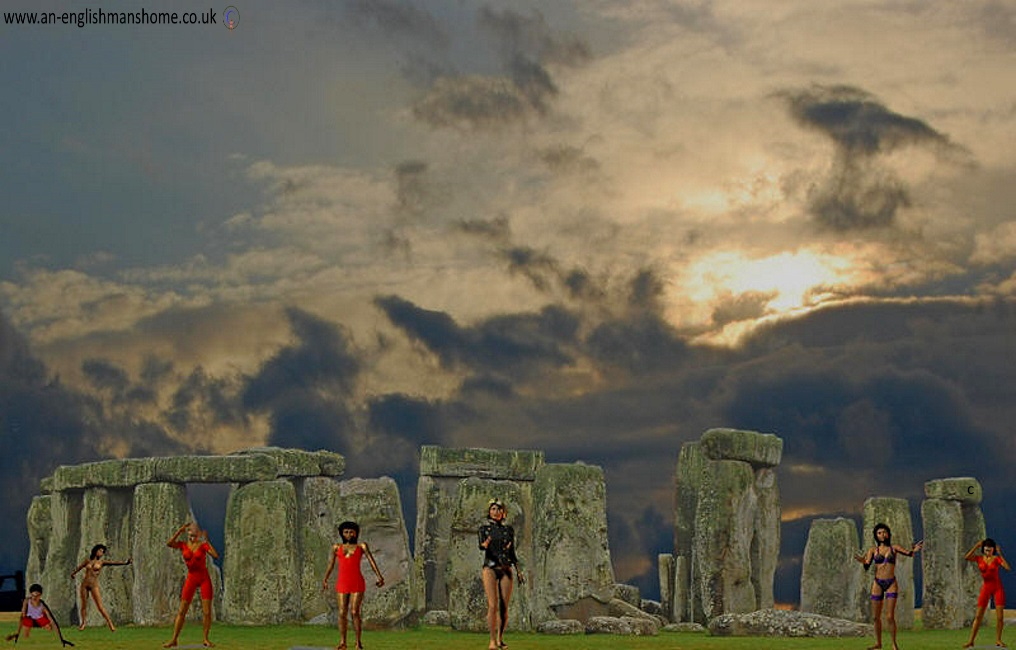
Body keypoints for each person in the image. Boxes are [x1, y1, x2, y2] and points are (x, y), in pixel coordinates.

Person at [854, 523, 922, 650]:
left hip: (891, 582)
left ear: (888, 534)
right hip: (878, 583)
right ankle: (878, 644)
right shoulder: (873, 550)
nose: (882, 535)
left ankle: (894, 644)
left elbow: (909, 553)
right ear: (876, 535)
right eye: (879, 533)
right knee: (875, 617)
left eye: (884, 532)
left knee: (890, 616)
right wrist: (862, 560)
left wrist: (915, 550)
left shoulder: (894, 548)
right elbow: (867, 566)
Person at [322, 521, 384, 650]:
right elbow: (330, 564)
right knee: (341, 612)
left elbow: (372, 561)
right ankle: (343, 642)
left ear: (356, 533)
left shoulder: (361, 546)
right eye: (346, 532)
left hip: (357, 582)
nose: (348, 534)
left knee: (355, 611)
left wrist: (379, 576)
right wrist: (325, 579)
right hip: (342, 582)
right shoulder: (336, 548)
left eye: (351, 532)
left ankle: (358, 642)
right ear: (342, 533)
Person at [163, 522, 219, 648]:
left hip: (203, 578)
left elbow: (215, 555)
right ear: (187, 534)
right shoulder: (183, 545)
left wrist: (207, 541)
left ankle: (205, 639)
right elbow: (169, 543)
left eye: (194, 535)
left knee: (206, 612)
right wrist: (179, 531)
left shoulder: (203, 545)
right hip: (191, 578)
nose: (192, 538)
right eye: (190, 535)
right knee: (182, 610)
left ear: (198, 535)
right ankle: (174, 639)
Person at [479, 499, 524, 650]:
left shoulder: (508, 530)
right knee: (492, 605)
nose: (496, 512)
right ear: (489, 511)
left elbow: (512, 553)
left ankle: (500, 638)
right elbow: (482, 546)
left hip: (506, 567)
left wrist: (519, 570)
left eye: (499, 509)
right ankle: (492, 640)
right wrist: (486, 543)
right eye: (493, 509)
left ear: (503, 512)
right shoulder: (484, 529)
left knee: (504, 606)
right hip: (490, 567)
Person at [70, 543, 132, 631]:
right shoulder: (87, 561)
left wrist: (126, 563)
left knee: (100, 606)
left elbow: (114, 563)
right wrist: (73, 574)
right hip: (85, 584)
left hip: (94, 585)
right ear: (95, 551)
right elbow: (79, 568)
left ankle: (110, 624)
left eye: (103, 552)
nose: (101, 553)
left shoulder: (102, 562)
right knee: (83, 605)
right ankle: (83, 623)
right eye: (100, 551)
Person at [963, 537, 1010, 648]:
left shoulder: (997, 559)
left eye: (990, 550)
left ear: (993, 549)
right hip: (986, 588)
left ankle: (998, 640)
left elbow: (1007, 568)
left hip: (997, 588)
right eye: (986, 549)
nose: (988, 552)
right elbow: (967, 557)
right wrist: (976, 546)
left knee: (999, 617)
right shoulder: (979, 558)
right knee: (978, 616)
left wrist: (1000, 554)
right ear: (983, 549)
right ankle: (971, 641)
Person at [5, 583, 73, 646]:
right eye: (33, 595)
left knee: (49, 630)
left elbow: (53, 621)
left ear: (40, 595)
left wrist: (61, 639)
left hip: (40, 618)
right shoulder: (26, 601)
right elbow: (22, 616)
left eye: (37, 596)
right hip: (29, 618)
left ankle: (39, 629)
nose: (34, 598)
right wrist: (17, 633)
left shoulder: (42, 606)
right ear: (30, 594)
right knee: (25, 636)